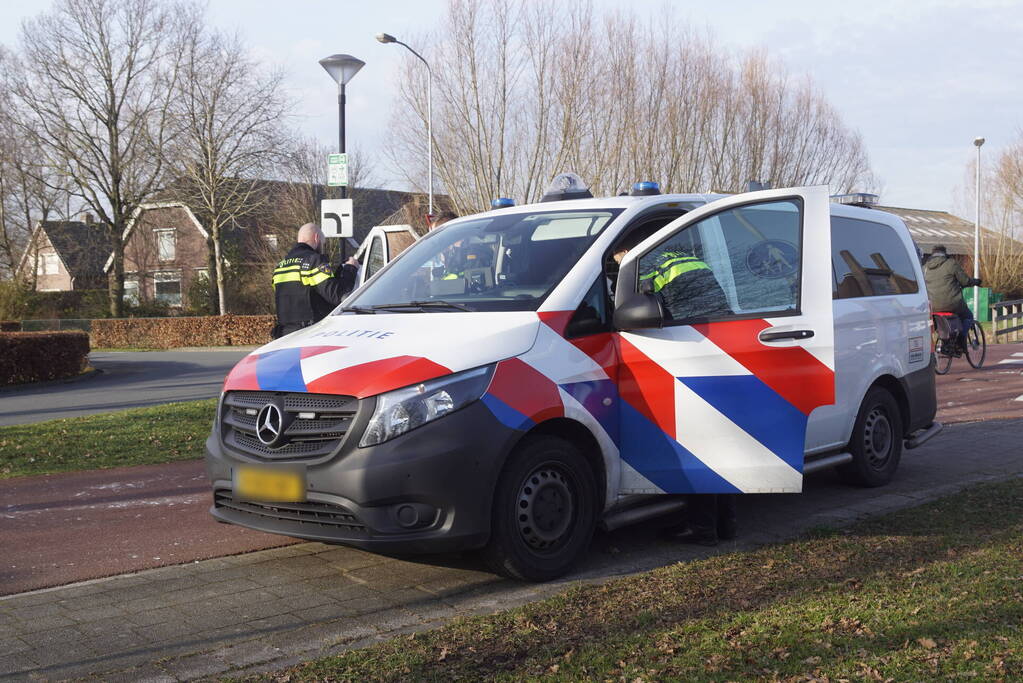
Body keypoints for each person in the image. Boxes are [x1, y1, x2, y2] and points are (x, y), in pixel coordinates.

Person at [271, 223, 358, 339]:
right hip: (309, 335)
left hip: (284, 336)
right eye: (323, 243)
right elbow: (337, 295)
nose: (323, 247)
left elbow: (306, 293)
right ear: (317, 238)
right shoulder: (313, 261)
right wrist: (350, 269)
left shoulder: (280, 267)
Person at [923, 245, 981, 347]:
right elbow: (965, 281)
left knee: (937, 320)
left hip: (933, 306)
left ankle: (945, 340)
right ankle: (962, 339)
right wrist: (976, 282)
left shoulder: (925, 268)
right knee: (968, 316)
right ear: (945, 253)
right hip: (952, 304)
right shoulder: (951, 264)